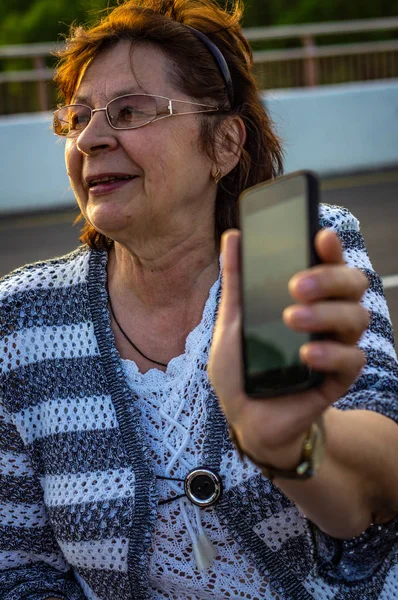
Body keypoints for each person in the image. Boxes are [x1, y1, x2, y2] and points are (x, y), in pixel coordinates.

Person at [1, 0, 398, 598]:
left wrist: (288, 442)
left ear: (224, 144)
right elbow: (20, 571)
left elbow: (380, 489)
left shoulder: (298, 252)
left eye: (128, 111)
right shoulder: (20, 320)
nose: (91, 138)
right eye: (76, 118)